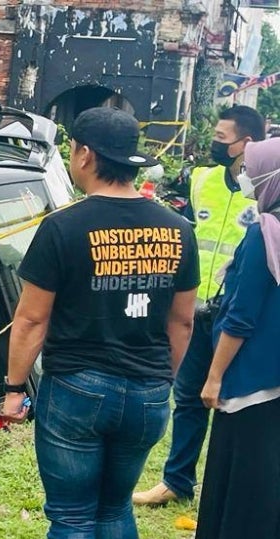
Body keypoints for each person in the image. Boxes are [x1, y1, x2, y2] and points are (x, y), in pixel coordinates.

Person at [1, 107, 199, 539]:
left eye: (72, 148)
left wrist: (14, 390)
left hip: (77, 389)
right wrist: (160, 378)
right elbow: (182, 321)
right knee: (114, 509)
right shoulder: (178, 229)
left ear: (86, 155)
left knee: (72, 516)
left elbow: (31, 320)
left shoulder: (63, 227)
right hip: (149, 393)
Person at [133, 105, 266, 506]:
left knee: (234, 402)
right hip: (197, 310)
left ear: (247, 143)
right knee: (189, 398)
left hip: (241, 316)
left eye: (222, 138)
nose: (214, 144)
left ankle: (228, 488)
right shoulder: (202, 179)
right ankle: (176, 481)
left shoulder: (267, 189)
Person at [191, 138, 280, 539]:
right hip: (274, 377)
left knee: (238, 486)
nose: (245, 176)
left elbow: (240, 316)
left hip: (248, 382)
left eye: (250, 168)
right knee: (266, 485)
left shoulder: (264, 234)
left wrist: (213, 377)